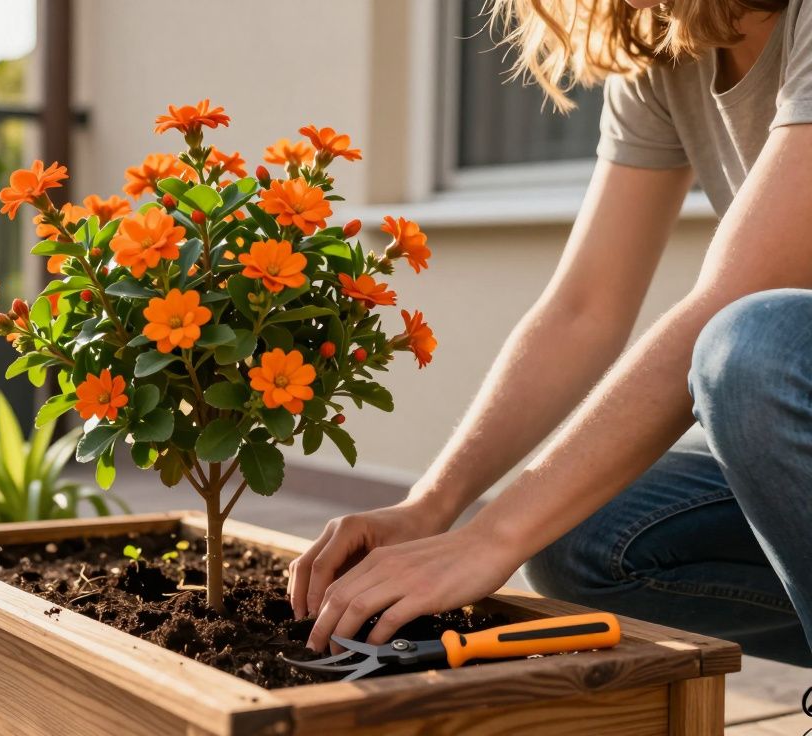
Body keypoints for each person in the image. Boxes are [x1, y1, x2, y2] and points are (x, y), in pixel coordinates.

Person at [290, 0, 812, 667]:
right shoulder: (663, 46)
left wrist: (491, 538)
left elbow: (734, 296)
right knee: (586, 540)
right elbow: (584, 309)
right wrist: (434, 506)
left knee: (751, 348)